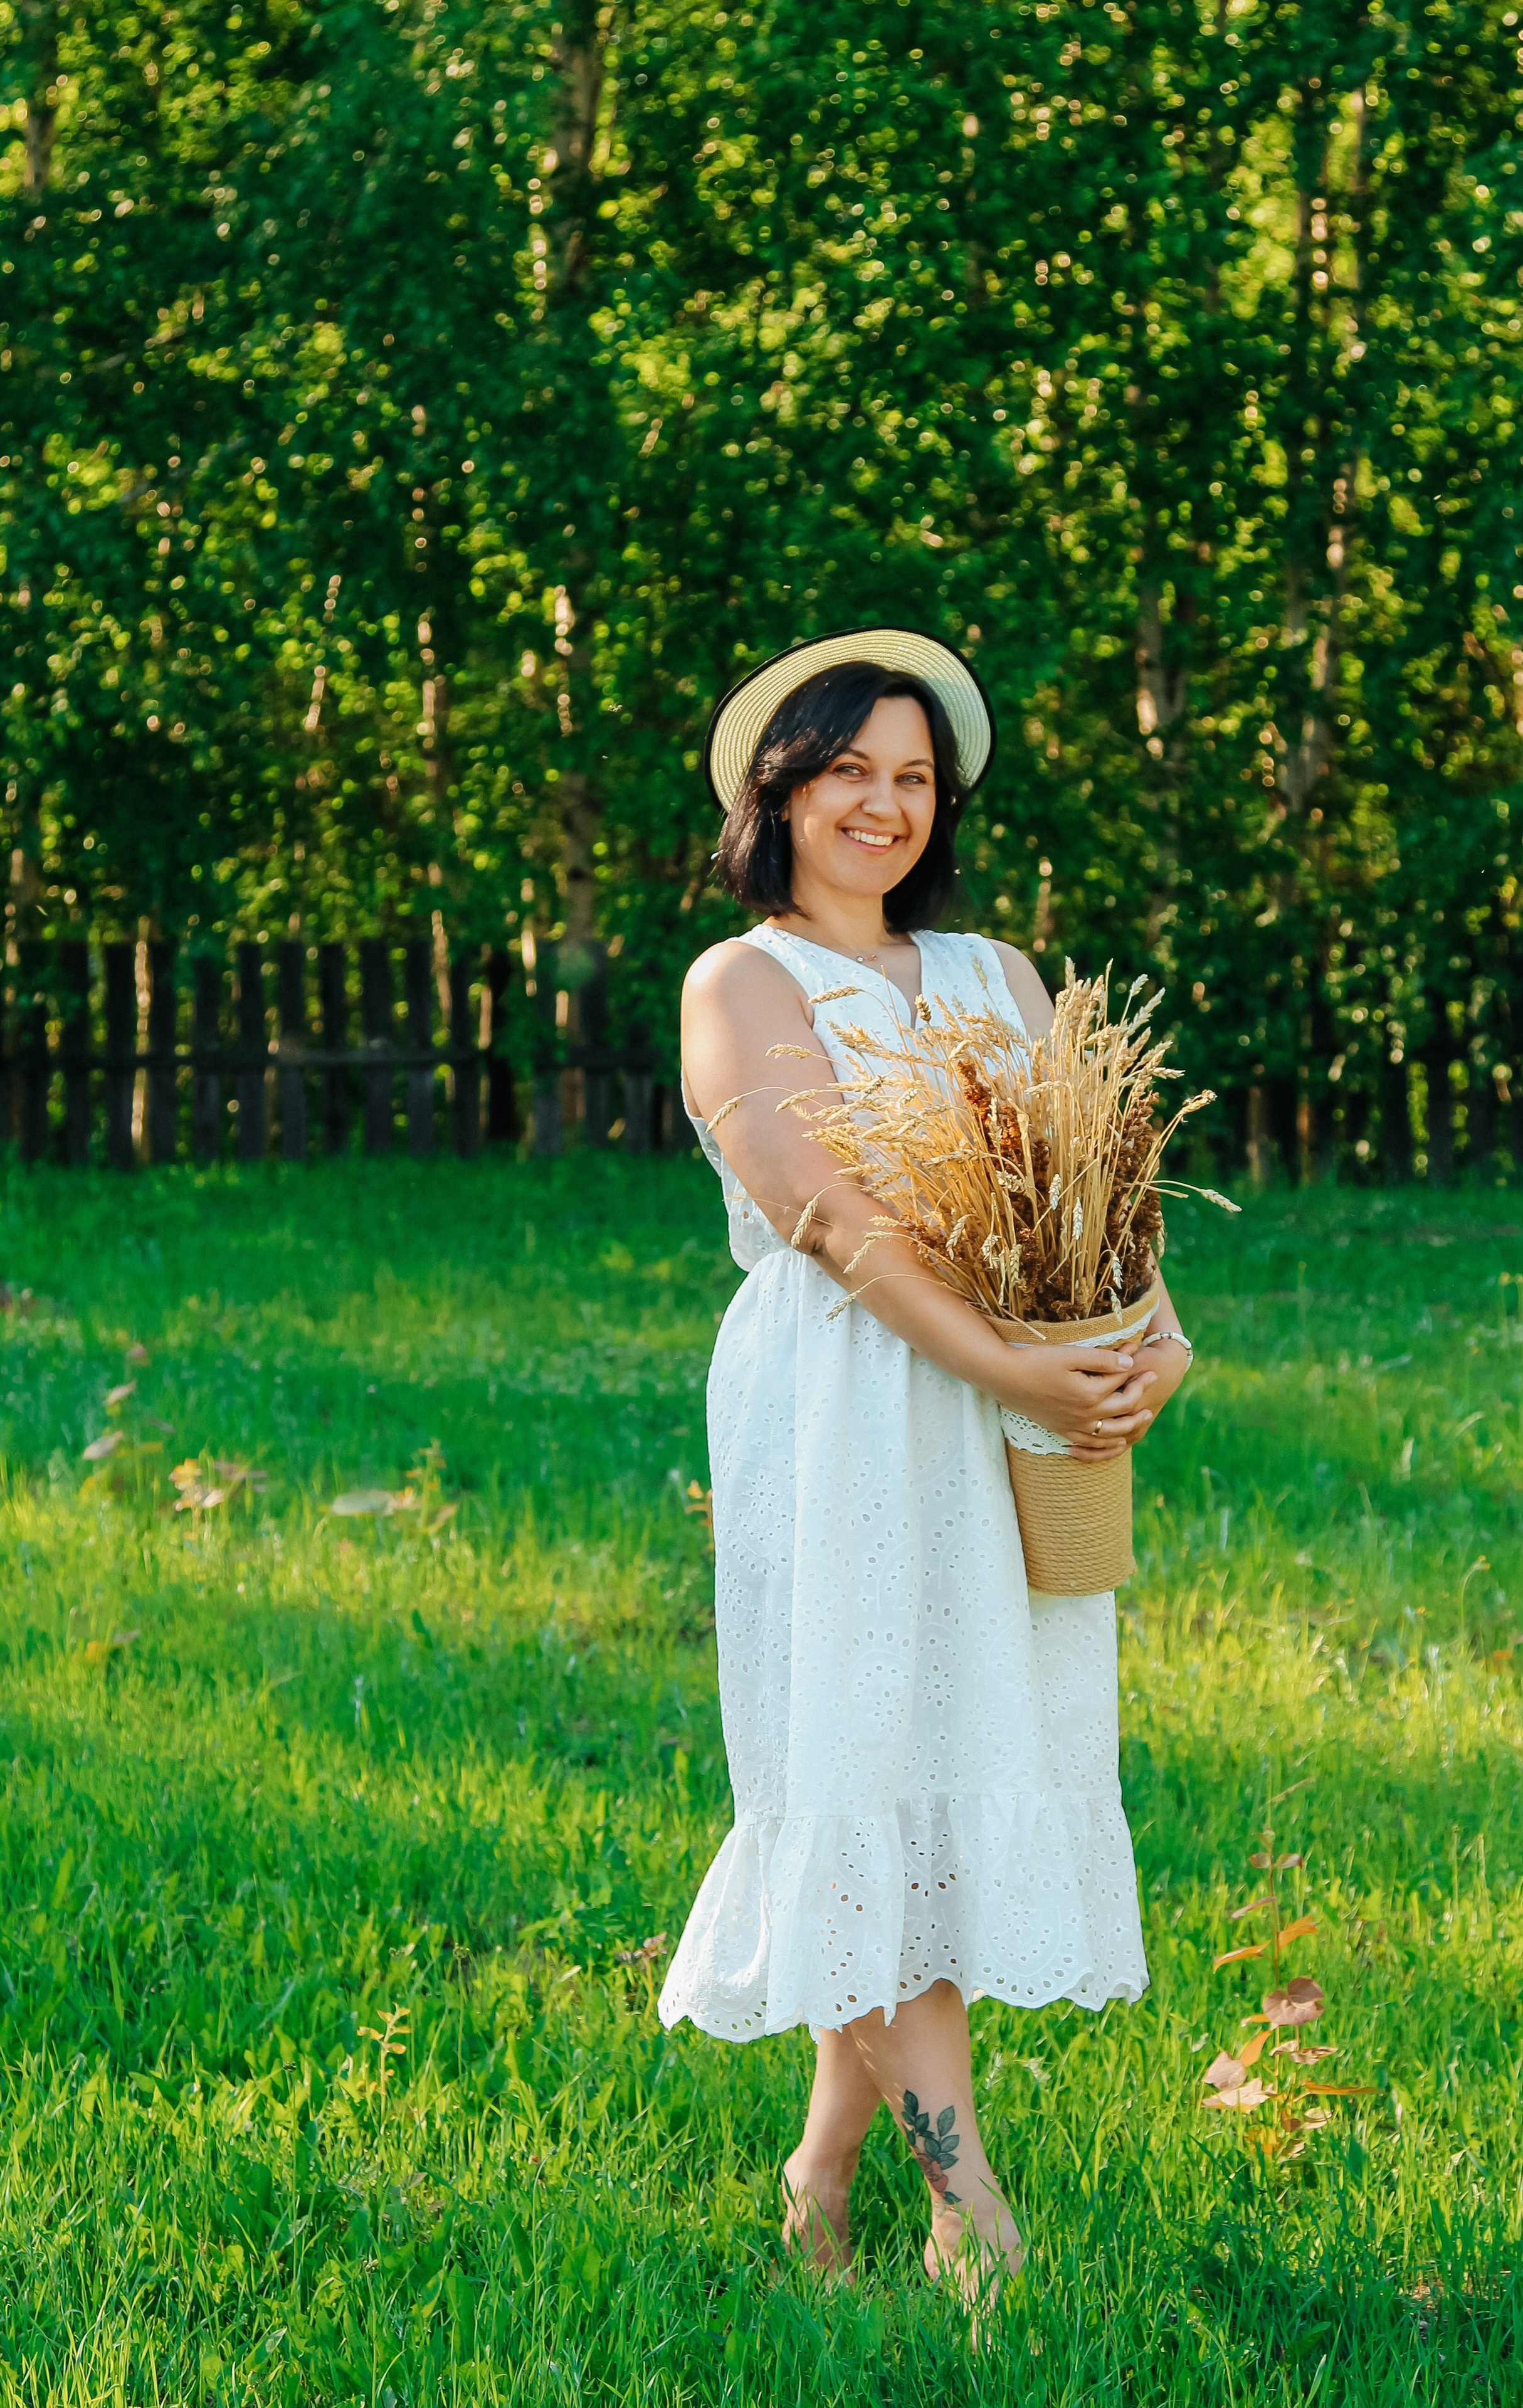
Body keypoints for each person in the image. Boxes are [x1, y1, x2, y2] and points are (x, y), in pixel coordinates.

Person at [659, 628, 1192, 2297]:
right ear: (783, 794)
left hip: (1005, 1417)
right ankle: (972, 2210)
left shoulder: (996, 973)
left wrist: (1150, 1328)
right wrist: (1016, 1360)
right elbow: (844, 1236)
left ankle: (819, 2178)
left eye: (911, 779)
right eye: (847, 775)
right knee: (861, 1767)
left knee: (943, 1769)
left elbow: (1095, 1178)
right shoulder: (741, 982)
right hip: (845, 1418)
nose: (882, 806)